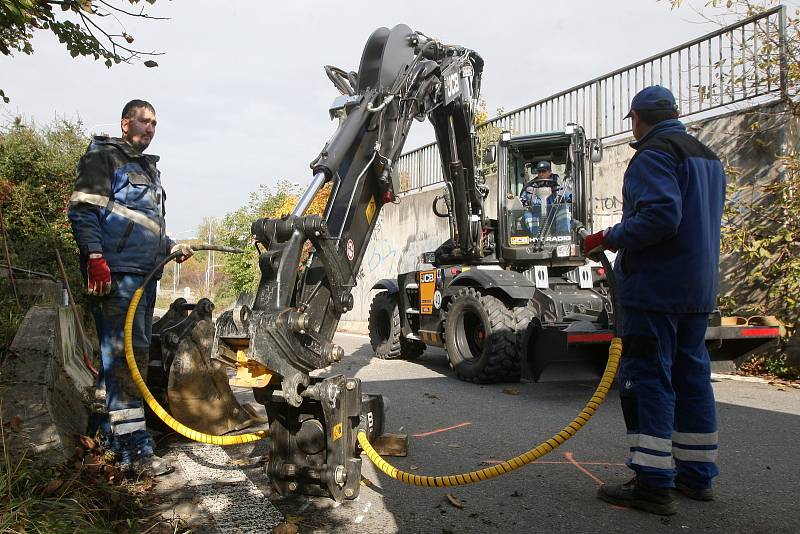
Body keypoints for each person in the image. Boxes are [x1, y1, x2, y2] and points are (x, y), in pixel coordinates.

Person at [582, 86, 725, 515]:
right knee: (692, 377)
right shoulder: (708, 158)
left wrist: (606, 237)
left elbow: (662, 215)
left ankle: (652, 482)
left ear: (638, 119)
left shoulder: (654, 154)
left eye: (632, 121)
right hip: (696, 289)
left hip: (656, 288)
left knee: (649, 379)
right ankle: (697, 477)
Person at [68, 99, 193, 476]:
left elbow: (139, 223)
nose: (151, 128)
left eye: (155, 123)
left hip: (143, 275)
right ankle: (135, 453)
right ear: (126, 124)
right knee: (125, 363)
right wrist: (94, 257)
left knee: (117, 365)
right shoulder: (104, 158)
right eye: (144, 121)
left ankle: (102, 437)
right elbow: (83, 210)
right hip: (117, 276)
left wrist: (169, 245)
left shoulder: (146, 170)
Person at [520, 161, 572, 236]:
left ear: (550, 172)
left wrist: (571, 198)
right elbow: (522, 200)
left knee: (564, 209)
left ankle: (563, 237)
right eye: (539, 171)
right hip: (537, 215)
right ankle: (535, 238)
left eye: (544, 171)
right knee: (526, 215)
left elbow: (569, 197)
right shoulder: (531, 186)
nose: (541, 174)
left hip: (554, 215)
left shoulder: (560, 184)